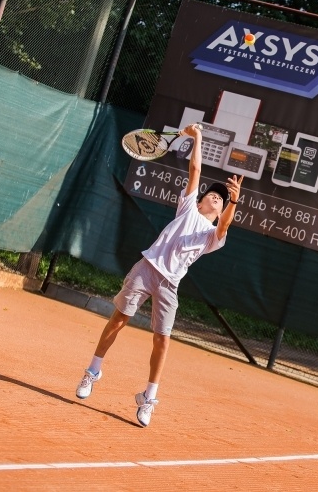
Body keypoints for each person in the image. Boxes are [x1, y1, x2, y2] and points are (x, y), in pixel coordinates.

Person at [75, 123, 244, 427]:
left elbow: (226, 226)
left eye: (221, 200)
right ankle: (92, 372)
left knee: (162, 340)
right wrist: (198, 138)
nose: (216, 198)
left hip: (170, 284)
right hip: (147, 267)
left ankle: (148, 398)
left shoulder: (212, 235)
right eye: (213, 195)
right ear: (202, 199)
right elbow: (195, 171)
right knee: (119, 319)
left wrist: (233, 200)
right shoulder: (188, 208)